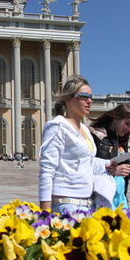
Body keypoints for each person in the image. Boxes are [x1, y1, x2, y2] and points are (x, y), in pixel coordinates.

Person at [38, 75, 115, 215]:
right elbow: (47, 169)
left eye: (91, 97)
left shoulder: (85, 129)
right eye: (84, 96)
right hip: (66, 205)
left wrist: (108, 164)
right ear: (68, 99)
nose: (89, 101)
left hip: (88, 204)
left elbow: (87, 162)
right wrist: (45, 212)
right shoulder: (57, 126)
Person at [89, 104, 130, 210]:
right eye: (127, 124)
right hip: (103, 200)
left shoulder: (120, 142)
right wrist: (113, 170)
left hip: (121, 201)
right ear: (116, 117)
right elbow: (89, 166)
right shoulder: (98, 136)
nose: (129, 129)